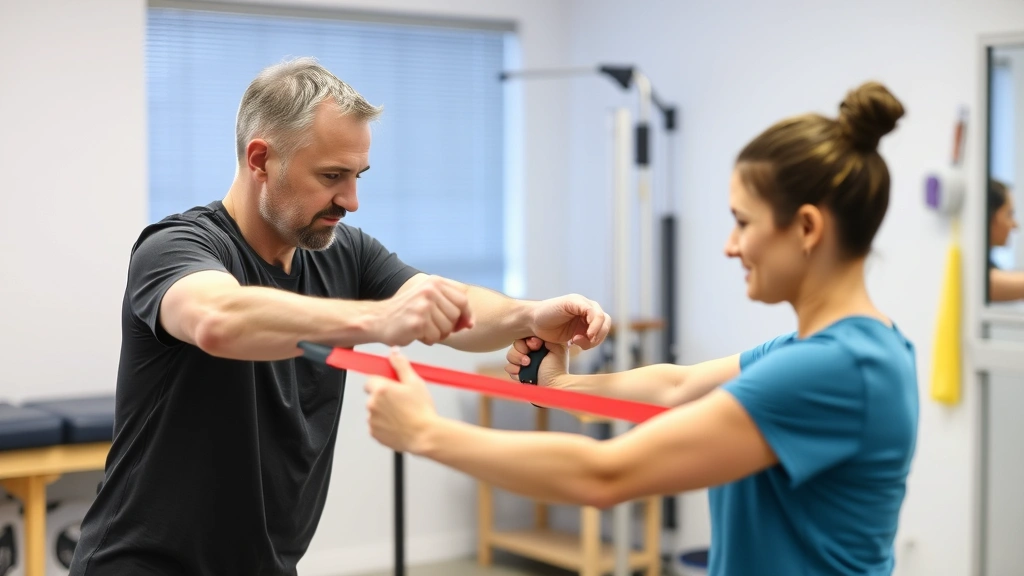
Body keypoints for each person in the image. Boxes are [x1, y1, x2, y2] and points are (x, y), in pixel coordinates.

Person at [69, 57, 611, 576]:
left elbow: (451, 305)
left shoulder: (343, 251)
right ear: (260, 160)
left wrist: (529, 315)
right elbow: (218, 319)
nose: (351, 200)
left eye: (358, 176)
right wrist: (378, 320)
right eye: (331, 176)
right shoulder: (175, 247)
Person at [364, 81, 919, 576]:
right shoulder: (848, 350)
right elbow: (677, 386)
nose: (731, 246)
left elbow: (604, 475)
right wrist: (557, 386)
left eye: (742, 222)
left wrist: (425, 433)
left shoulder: (830, 369)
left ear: (806, 228)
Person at [987, 178, 1024, 301]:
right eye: (1009, 214)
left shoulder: (989, 266)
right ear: (991, 216)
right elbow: (986, 283)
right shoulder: (975, 275)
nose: (1015, 225)